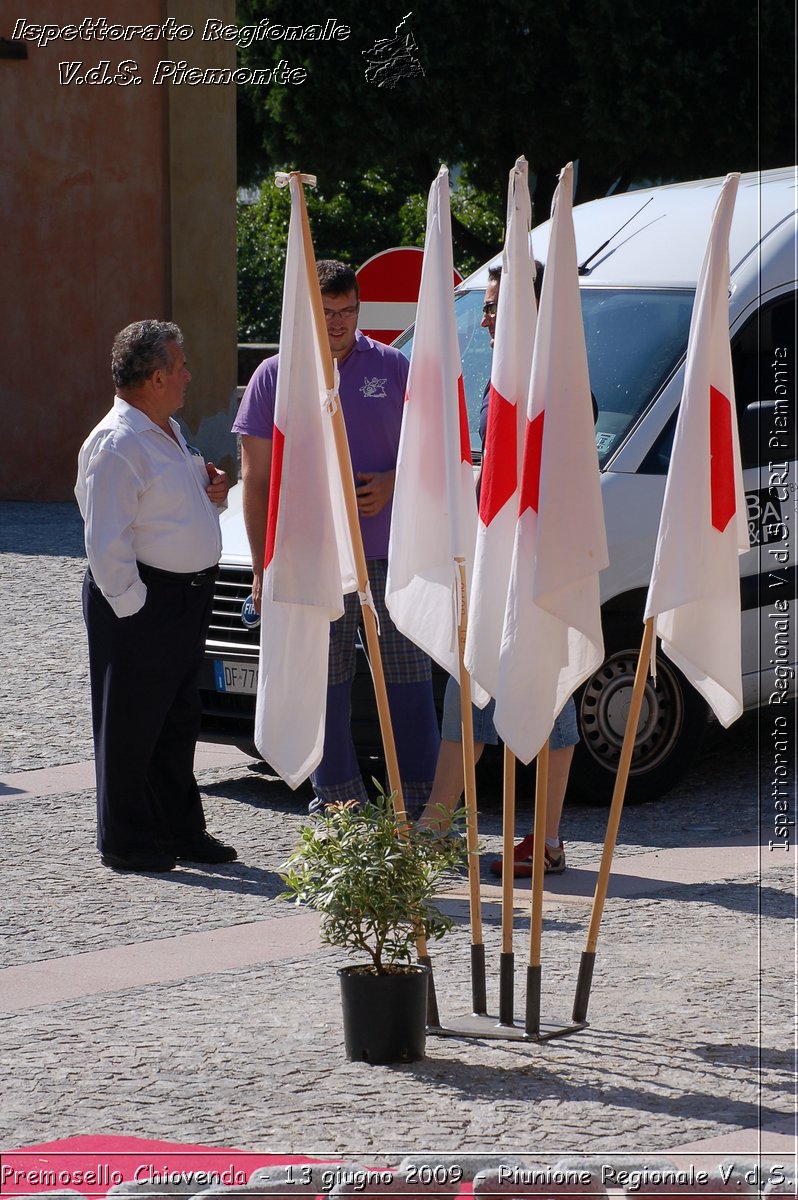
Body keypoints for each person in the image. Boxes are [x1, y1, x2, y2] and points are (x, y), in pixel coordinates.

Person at [233, 260, 440, 815]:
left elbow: (432, 453)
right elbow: (257, 483)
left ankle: (421, 808)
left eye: (349, 312)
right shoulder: (276, 376)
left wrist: (393, 483)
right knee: (326, 683)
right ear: (308, 312)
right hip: (313, 559)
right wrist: (260, 564)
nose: (339, 323)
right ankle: (338, 803)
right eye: (326, 313)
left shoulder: (393, 366)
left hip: (388, 556)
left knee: (408, 681)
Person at [418, 264, 579, 876]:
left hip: (538, 567)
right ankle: (436, 825)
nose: (483, 317)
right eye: (485, 306)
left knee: (550, 699)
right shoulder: (499, 381)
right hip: (494, 562)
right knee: (469, 687)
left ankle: (548, 839)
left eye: (492, 307)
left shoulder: (556, 381)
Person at [75, 320, 237, 873]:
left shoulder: (167, 429)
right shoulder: (117, 443)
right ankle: (125, 840)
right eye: (181, 366)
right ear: (156, 375)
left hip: (184, 599)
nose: (189, 375)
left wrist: (210, 490)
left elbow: (168, 508)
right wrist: (136, 609)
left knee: (176, 720)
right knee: (130, 724)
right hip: (146, 601)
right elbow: (105, 542)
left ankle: (179, 830)